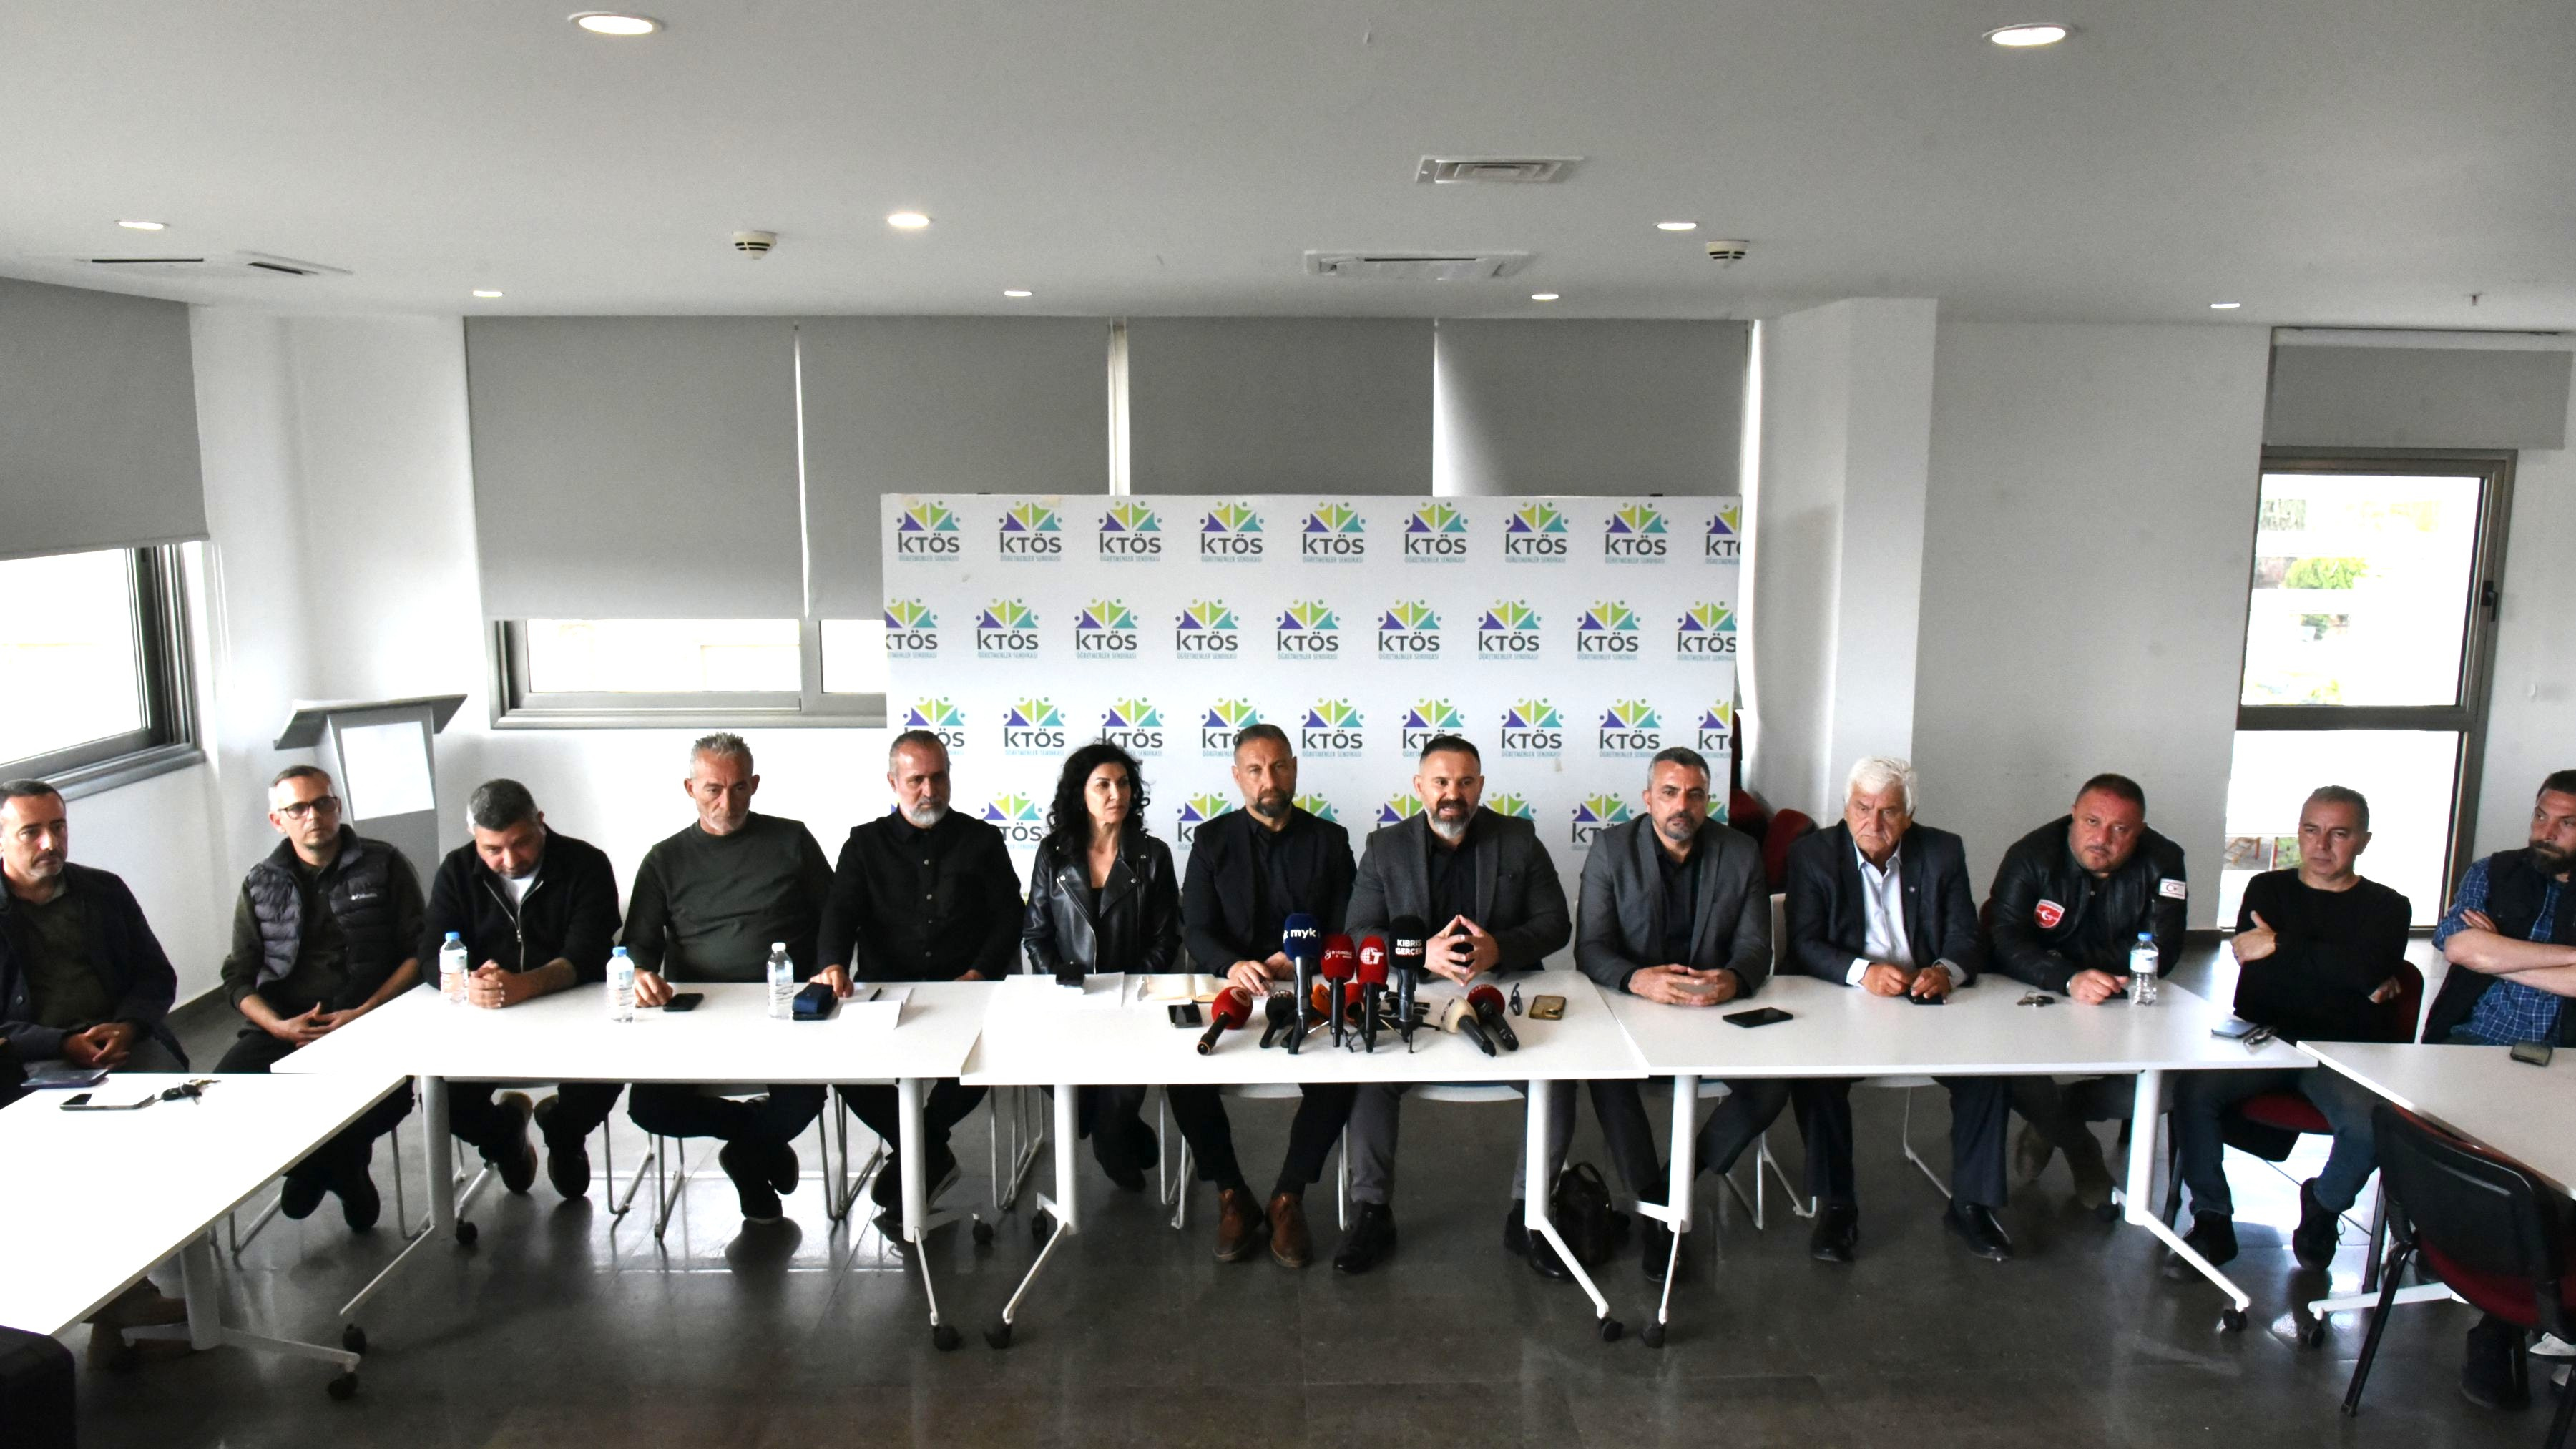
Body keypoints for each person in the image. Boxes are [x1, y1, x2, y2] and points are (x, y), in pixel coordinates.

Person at [1693, 757, 2016, 1263]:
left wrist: (1945, 970)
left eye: (1888, 811)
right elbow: (1804, 942)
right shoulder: (1813, 854)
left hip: (1925, 999)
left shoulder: (1943, 851)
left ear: (1909, 816)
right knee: (1818, 1078)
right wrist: (1861, 972)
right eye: (1862, 808)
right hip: (1841, 1000)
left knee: (1986, 1072)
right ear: (1846, 808)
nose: (1873, 822)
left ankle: (1972, 1205)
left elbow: (1965, 936)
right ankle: (1836, 1205)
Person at [1339, 735, 1572, 1275]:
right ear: (1420, 787)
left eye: (1465, 782)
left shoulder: (1519, 840)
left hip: (1503, 992)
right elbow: (1357, 932)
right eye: (1441, 782)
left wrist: (1499, 948)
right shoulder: (1384, 846)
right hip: (1415, 992)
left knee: (1558, 1078)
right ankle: (1371, 1212)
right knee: (1369, 1072)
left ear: (1481, 786)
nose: (1453, 794)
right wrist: (1420, 953)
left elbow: (1555, 924)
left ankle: (1531, 1213)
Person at [2168, 785, 2405, 1272]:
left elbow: (2365, 970)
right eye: (2311, 830)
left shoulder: (2388, 906)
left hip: (2343, 1050)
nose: (2321, 845)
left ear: (2363, 841)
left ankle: (2324, 1205)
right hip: (2265, 1036)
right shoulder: (2266, 890)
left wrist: (2281, 945)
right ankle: (2211, 1217)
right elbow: (2259, 971)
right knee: (2192, 1091)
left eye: (2339, 834)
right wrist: (2347, 972)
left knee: (2370, 1125)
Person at [1, 778, 194, 1363]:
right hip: (30, 1060)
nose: (49, 843)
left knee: (187, 1123)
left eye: (57, 827)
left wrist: (128, 1027)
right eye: (31, 832)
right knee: (71, 1163)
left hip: (121, 1045)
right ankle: (120, 1302)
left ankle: (123, 1302)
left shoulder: (103, 891)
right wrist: (63, 1042)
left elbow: (156, 975)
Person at [1575, 747, 1772, 1283]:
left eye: (1694, 794)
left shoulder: (1740, 852)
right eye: (1669, 792)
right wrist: (1638, 979)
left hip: (1715, 1008)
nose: (1681, 805)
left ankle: (1664, 1193)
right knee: (1607, 1077)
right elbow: (1589, 948)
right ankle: (1658, 1223)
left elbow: (1756, 948)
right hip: (1637, 1007)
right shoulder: (1612, 849)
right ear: (1648, 799)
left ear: (1707, 801)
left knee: (1773, 1085)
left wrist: (1733, 979)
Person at [622, 733, 834, 1227]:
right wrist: (640, 973)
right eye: (713, 789)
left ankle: (745, 1156)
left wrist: (831, 964)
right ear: (689, 789)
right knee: (649, 1108)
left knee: (805, 1098)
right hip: (700, 1012)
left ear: (755, 785)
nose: (728, 802)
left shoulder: (792, 840)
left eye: (739, 788)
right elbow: (638, 945)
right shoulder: (664, 859)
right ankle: (753, 1137)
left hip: (785, 1006)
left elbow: (835, 916)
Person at [1177, 724, 1359, 1268]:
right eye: (1255, 770)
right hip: (1232, 989)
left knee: (1342, 1073)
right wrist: (1233, 965)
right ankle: (1231, 1193)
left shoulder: (1330, 841)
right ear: (1238, 777)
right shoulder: (1210, 841)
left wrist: (1303, 958)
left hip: (1308, 985)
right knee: (1183, 1079)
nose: (1269, 780)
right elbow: (1195, 928)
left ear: (1294, 769)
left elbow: (1348, 924)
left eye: (1279, 766)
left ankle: (1288, 1196)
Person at [817, 730, 1019, 1217]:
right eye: (916, 781)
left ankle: (918, 1149)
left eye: (938, 778)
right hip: (887, 991)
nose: (930, 791)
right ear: (893, 782)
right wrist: (833, 964)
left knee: (987, 1056)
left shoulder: (982, 840)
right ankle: (928, 1151)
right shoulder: (864, 844)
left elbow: (1008, 918)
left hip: (966, 989)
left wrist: (978, 974)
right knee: (844, 1068)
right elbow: (839, 913)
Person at [216, 765, 421, 1232]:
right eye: (298, 809)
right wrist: (276, 1025)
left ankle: (319, 1167)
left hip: (369, 1019)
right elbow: (238, 974)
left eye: (322, 803)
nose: (313, 816)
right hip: (286, 1025)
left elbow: (419, 951)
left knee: (387, 1101)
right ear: (278, 821)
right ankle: (341, 1168)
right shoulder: (261, 881)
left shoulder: (383, 863)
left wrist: (366, 1011)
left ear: (337, 807)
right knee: (227, 1097)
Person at [2431, 770, 2576, 1411]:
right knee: (2509, 1179)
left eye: (2566, 823)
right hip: (2473, 1047)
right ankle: (2501, 1323)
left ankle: (2521, 1318)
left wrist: (2500, 951)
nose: (2546, 831)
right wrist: (2562, 959)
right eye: (2541, 815)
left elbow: (2484, 952)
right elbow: (2460, 948)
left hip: (2565, 1060)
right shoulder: (2493, 871)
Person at [1984, 773, 2185, 1210]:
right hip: (2034, 989)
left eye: (2120, 829)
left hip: (2117, 993)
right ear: (2073, 815)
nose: (2102, 838)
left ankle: (2057, 1116)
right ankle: (2082, 1151)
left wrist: (2094, 973)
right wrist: (2069, 977)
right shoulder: (2031, 855)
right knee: (2007, 1071)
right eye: (2092, 822)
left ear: (2140, 831)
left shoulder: (2164, 860)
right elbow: (2003, 937)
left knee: (2170, 1088)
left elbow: (2163, 949)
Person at [421, 778, 625, 1199]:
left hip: (576, 1016)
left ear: (540, 822)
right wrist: (471, 983)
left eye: (522, 843)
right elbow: (429, 955)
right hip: (486, 1022)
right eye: (493, 849)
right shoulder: (457, 870)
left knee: (607, 1077)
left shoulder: (585, 863)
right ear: (473, 836)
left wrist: (523, 986)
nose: (510, 859)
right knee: (441, 1100)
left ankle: (564, 1135)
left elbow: (588, 955)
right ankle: (505, 1138)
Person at [1022, 742, 1181, 1187]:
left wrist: (1129, 986)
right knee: (1063, 1092)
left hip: (1134, 1004)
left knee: (1113, 1115)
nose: (1117, 794)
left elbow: (1166, 939)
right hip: (1068, 1002)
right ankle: (1118, 1125)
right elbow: (1036, 934)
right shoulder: (1053, 853)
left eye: (1124, 783)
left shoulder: (1153, 855)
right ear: (1081, 794)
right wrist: (1063, 981)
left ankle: (1114, 1133)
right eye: (1103, 785)